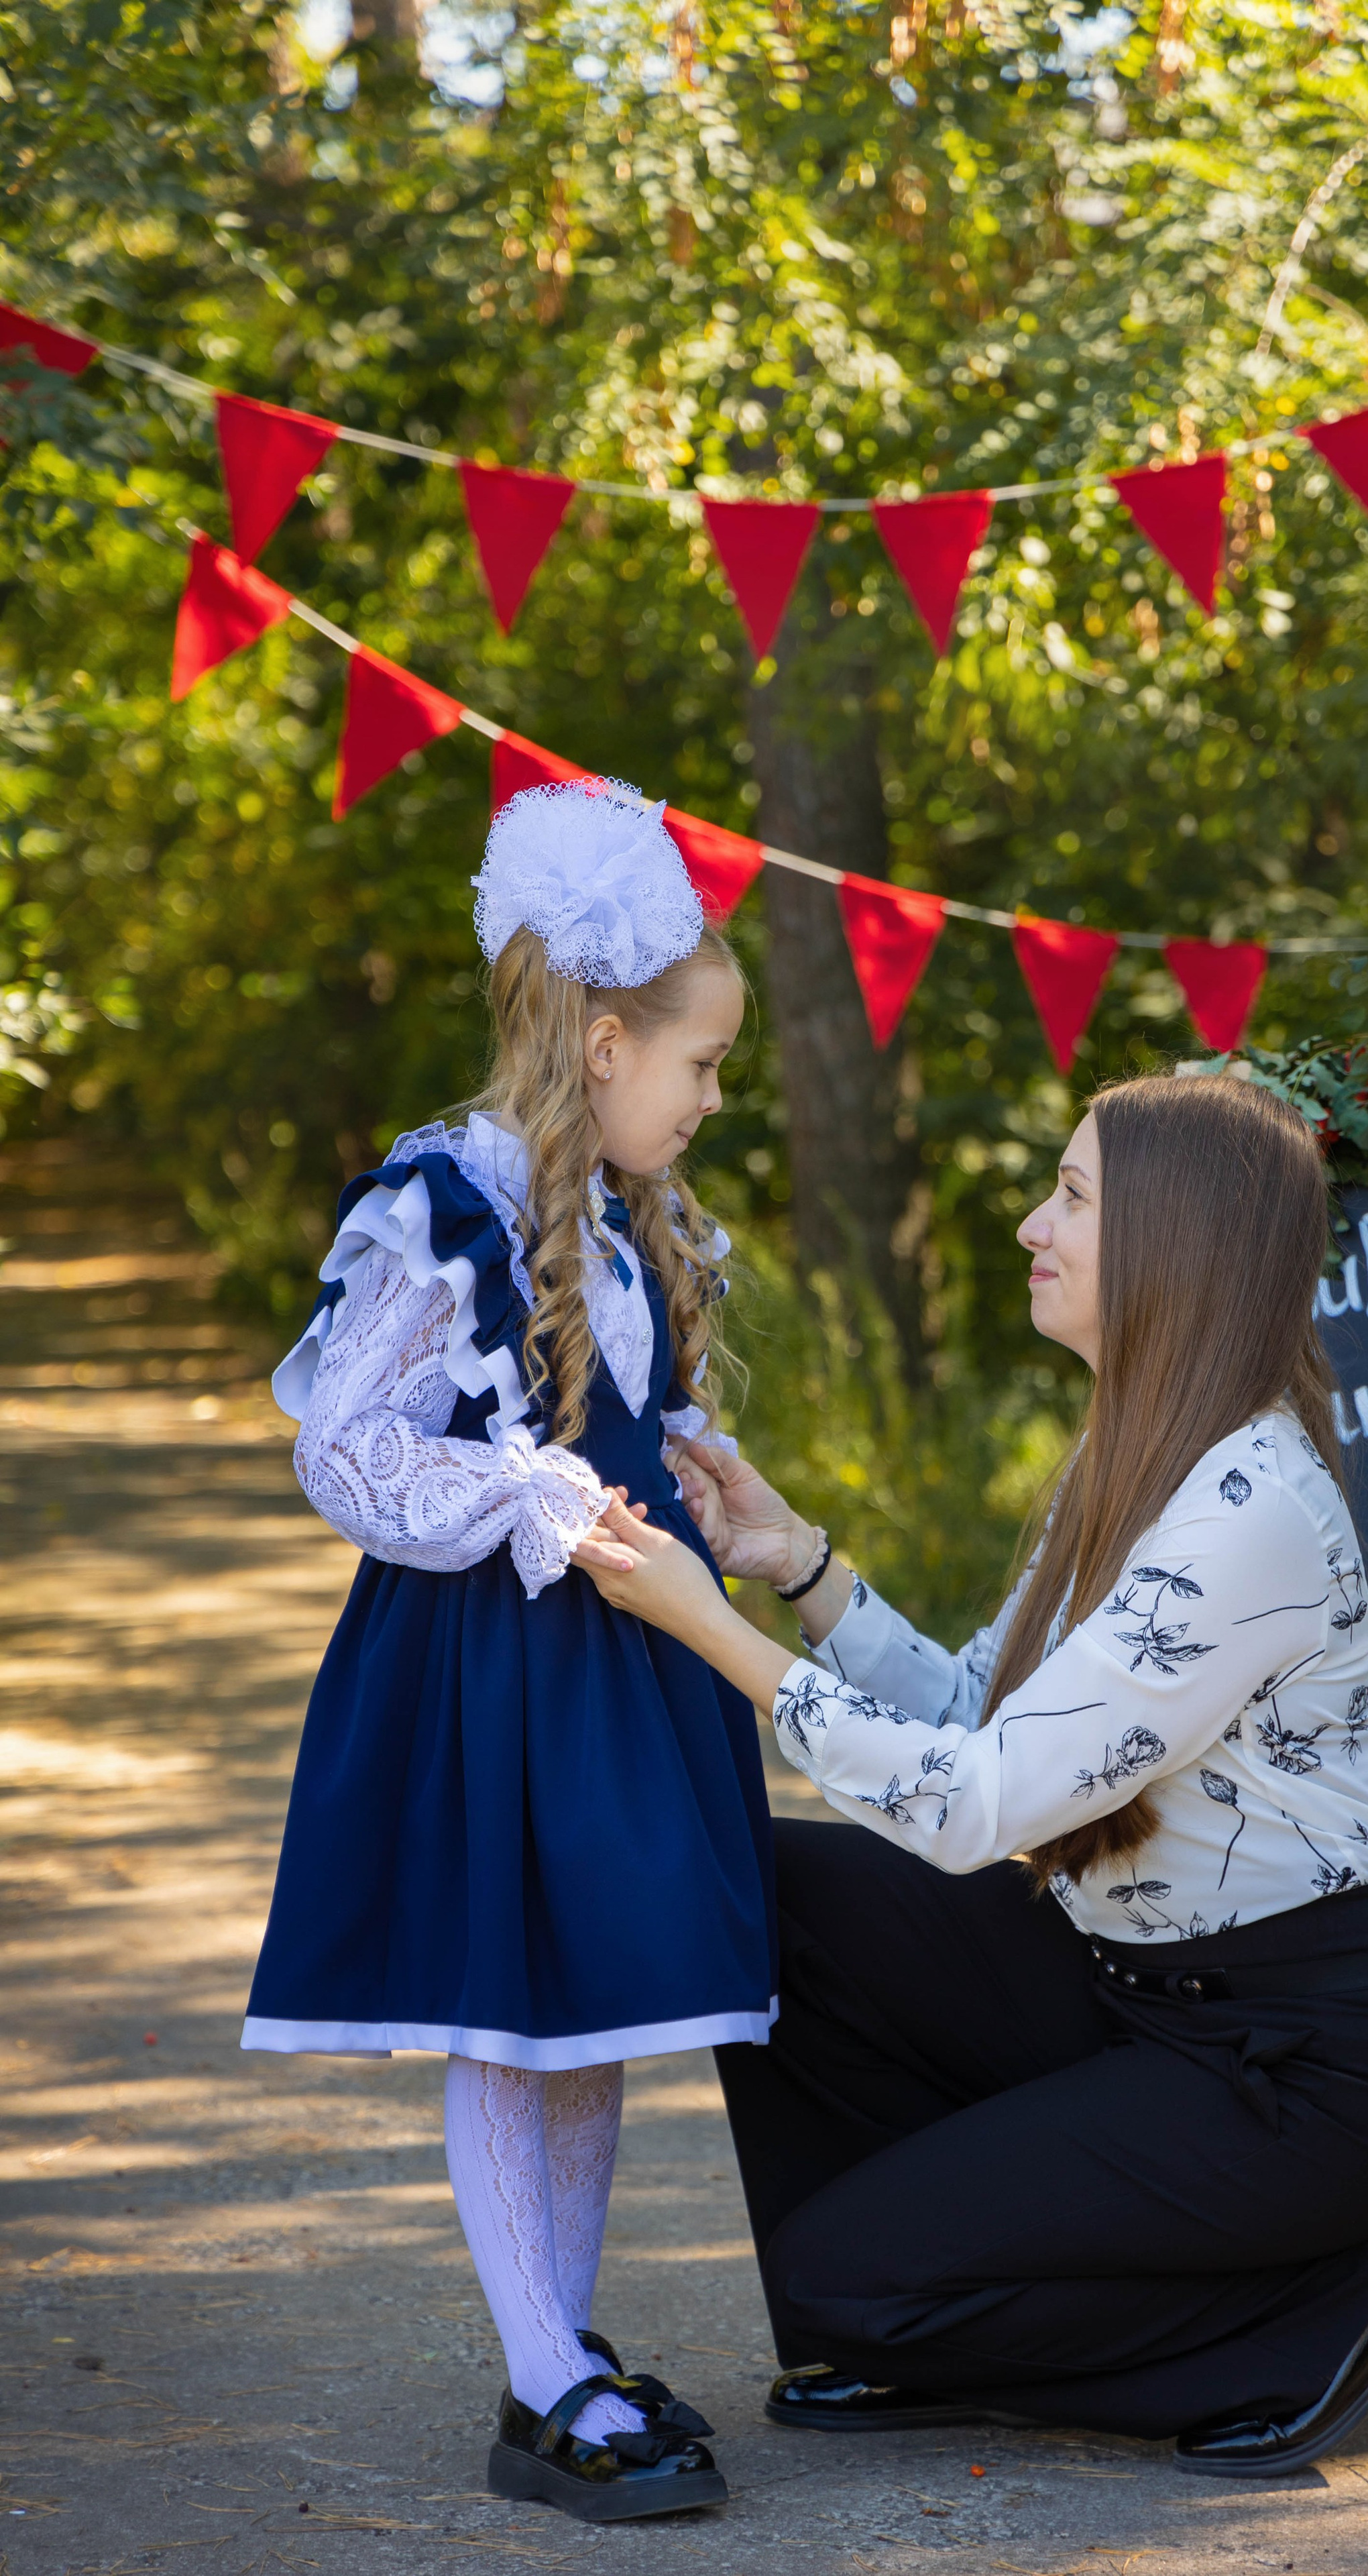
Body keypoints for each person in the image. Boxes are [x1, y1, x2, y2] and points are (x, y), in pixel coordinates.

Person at [573, 1071, 1368, 2478]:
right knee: (776, 1885)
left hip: (1297, 2069)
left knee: (838, 2291)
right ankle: (913, 2308)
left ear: (1177, 1243)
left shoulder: (1246, 1508)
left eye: (1068, 1196)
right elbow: (984, 1718)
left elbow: (975, 1808)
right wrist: (798, 1569)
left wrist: (707, 1629)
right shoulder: (1136, 1448)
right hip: (1129, 1987)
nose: (1023, 1226)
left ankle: (1318, 2307)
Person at [243, 780, 779, 2524]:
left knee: (598, 2011)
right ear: (606, 1040)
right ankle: (545, 2377)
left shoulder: (636, 1217)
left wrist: (681, 1466)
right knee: (506, 2013)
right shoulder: (441, 1203)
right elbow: (347, 1444)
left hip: (621, 1662)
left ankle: (563, 2347)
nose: (711, 1099)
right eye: (698, 1065)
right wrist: (520, 1488)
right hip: (491, 1667)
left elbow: (625, 1413)